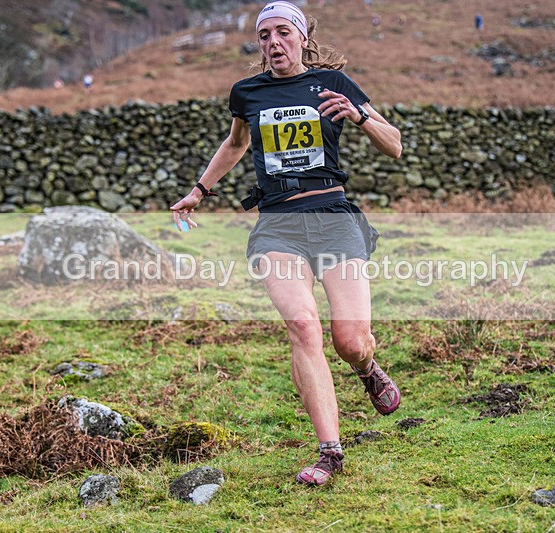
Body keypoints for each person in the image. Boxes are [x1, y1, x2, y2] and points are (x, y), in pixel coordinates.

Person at [170, 0, 403, 486]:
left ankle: (367, 367)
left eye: (282, 32)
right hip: (277, 224)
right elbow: (236, 144)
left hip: (334, 217)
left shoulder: (333, 85)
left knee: (351, 341)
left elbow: (394, 143)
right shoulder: (247, 93)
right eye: (264, 36)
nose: (273, 42)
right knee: (302, 325)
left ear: (301, 37)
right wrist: (198, 191)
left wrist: (360, 117)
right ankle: (330, 453)